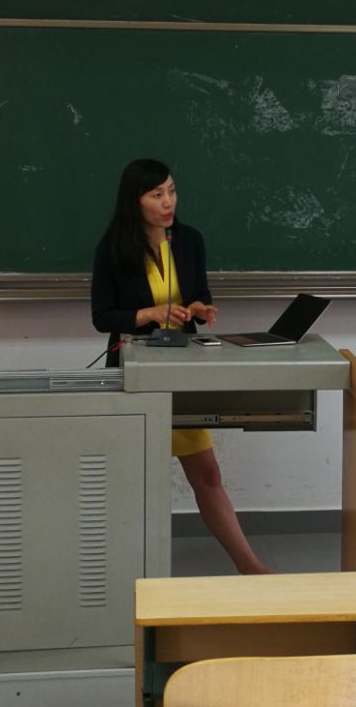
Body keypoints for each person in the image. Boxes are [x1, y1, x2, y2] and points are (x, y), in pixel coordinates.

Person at [91, 158, 272, 574]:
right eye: (157, 194)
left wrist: (198, 308)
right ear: (134, 200)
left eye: (171, 191)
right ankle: (124, 572)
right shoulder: (113, 249)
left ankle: (251, 568)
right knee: (132, 480)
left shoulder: (189, 240)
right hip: (135, 374)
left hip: (181, 371)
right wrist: (150, 313)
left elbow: (198, 294)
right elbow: (102, 316)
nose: (168, 201)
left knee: (207, 475)